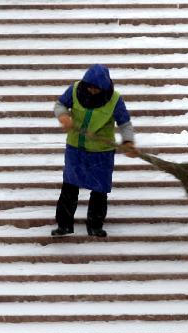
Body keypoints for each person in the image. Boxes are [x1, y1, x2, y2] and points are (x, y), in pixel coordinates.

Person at [52, 64, 139, 237]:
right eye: (90, 87)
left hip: (102, 152)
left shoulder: (114, 99)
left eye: (97, 89)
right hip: (76, 149)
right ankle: (64, 225)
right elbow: (60, 104)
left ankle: (95, 225)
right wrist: (63, 116)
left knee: (100, 190)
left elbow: (125, 123)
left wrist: (128, 141)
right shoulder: (75, 89)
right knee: (69, 186)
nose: (92, 91)